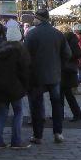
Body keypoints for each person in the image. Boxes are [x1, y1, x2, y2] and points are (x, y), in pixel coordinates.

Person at [25, 8, 72, 144]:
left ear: (38, 19)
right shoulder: (58, 34)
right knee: (57, 104)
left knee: (37, 105)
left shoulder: (31, 34)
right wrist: (59, 65)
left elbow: (25, 55)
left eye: (35, 18)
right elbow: (68, 54)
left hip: (36, 76)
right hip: (54, 75)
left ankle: (38, 135)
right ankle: (58, 133)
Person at [0, 20, 32, 149]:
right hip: (15, 87)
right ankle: (16, 140)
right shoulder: (21, 51)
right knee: (18, 112)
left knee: (2, 112)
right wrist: (25, 86)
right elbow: (25, 71)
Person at [59, 24, 81, 121]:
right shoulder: (73, 39)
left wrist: (66, 58)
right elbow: (78, 54)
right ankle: (75, 114)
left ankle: (62, 114)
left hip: (65, 69)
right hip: (70, 69)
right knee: (67, 94)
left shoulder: (65, 40)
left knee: (63, 94)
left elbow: (75, 54)